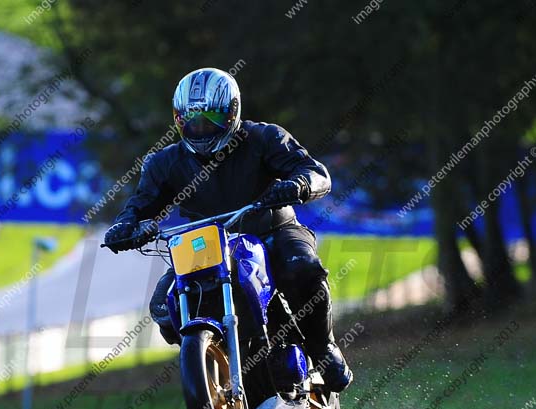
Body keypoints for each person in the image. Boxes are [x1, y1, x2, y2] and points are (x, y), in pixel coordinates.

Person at [104, 67, 352, 392]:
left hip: (272, 229)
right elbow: (139, 205)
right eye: (191, 119)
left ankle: (323, 349)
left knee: (302, 269)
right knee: (164, 307)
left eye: (210, 118)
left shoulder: (265, 138)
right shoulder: (163, 162)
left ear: (232, 112)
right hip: (204, 244)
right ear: (178, 119)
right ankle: (212, 360)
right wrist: (125, 227)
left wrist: (299, 184)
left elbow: (315, 172)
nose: (201, 127)